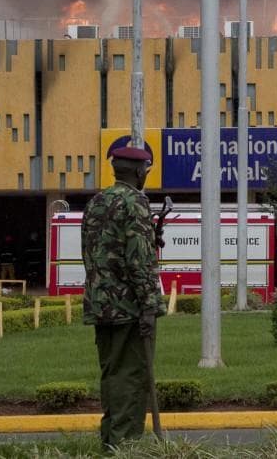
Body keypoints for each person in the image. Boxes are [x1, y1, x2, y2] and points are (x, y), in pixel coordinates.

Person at [81, 144, 165, 449]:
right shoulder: (135, 202)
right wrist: (149, 305)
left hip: (100, 305)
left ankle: (110, 443)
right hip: (129, 307)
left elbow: (94, 252)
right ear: (140, 171)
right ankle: (125, 447)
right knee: (132, 377)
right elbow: (138, 261)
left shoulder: (96, 202)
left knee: (112, 374)